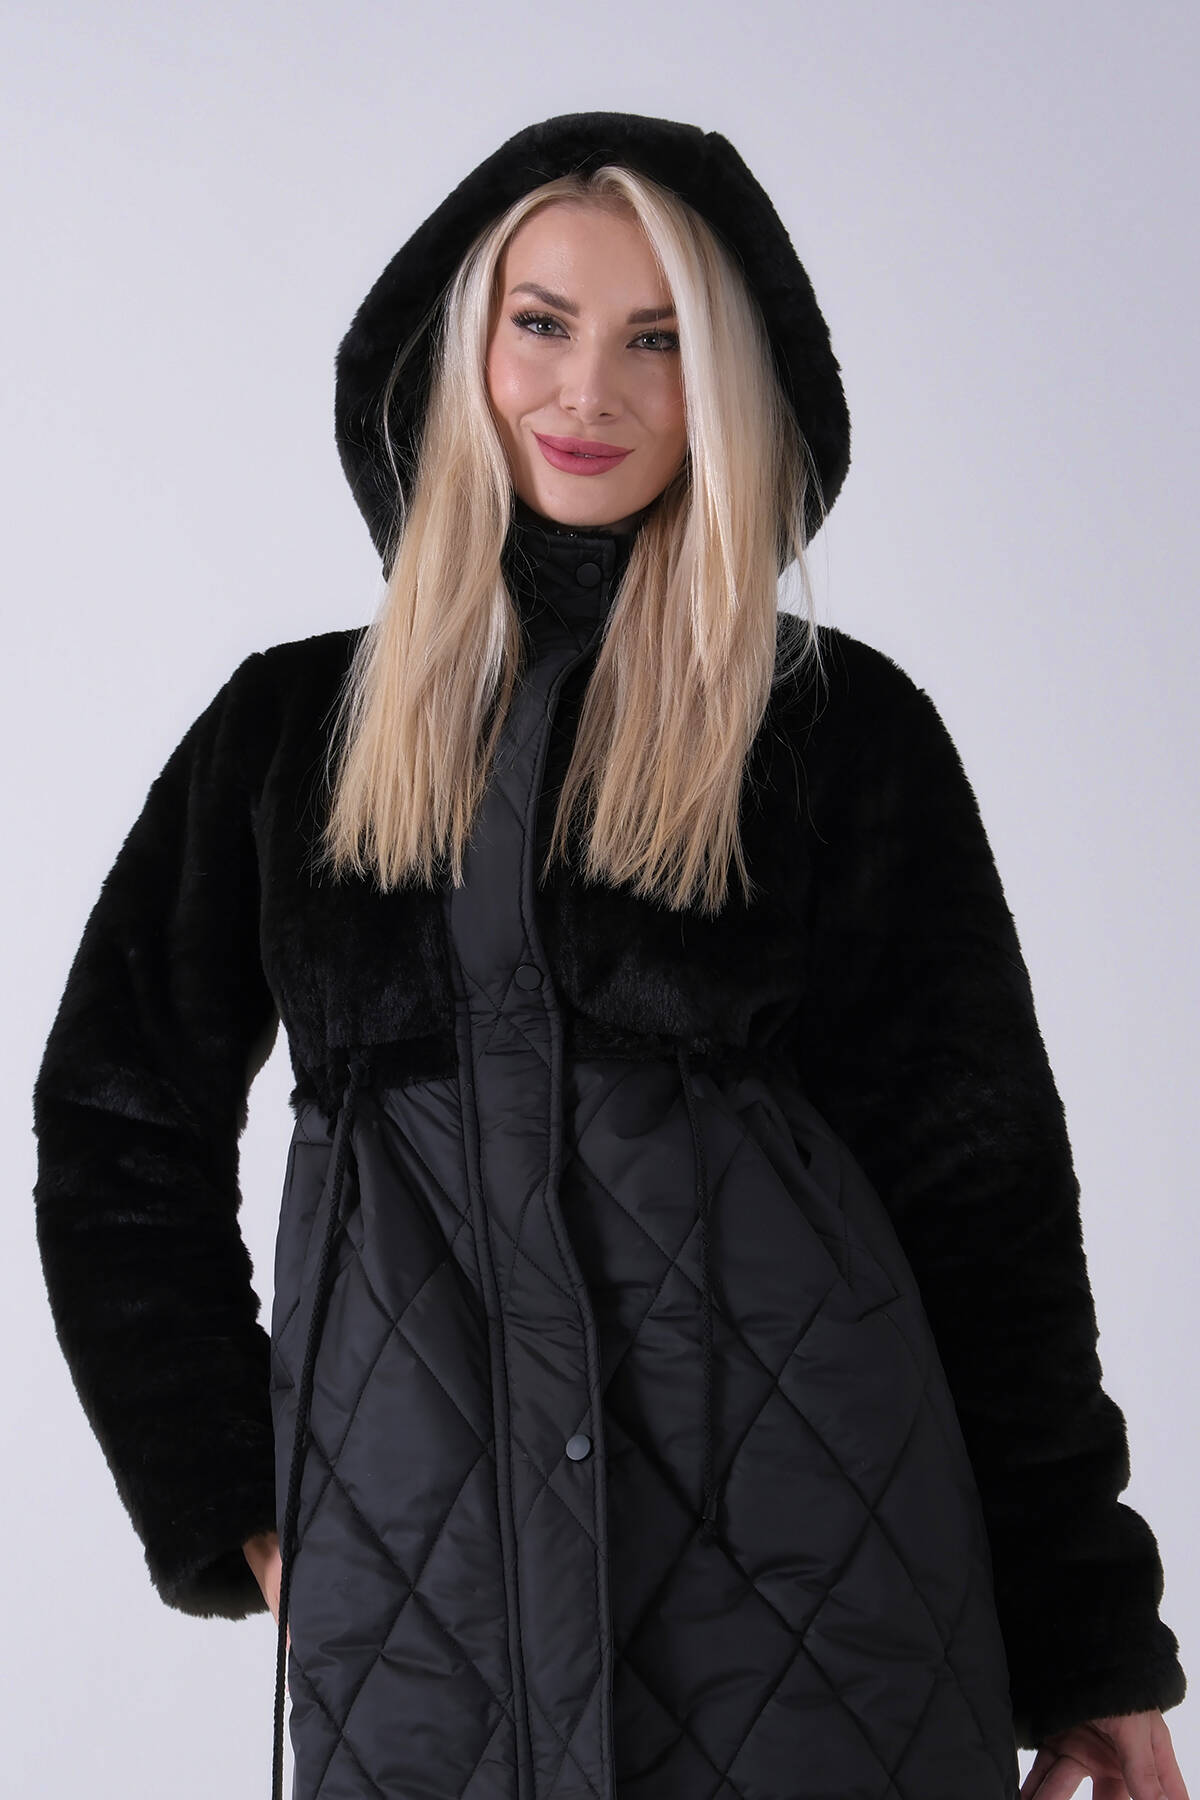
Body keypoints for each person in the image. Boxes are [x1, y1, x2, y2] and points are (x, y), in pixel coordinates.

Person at [32, 110, 1189, 1800]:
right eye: (544, 323)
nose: (591, 392)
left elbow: (984, 1198)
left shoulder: (833, 729)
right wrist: (234, 1497)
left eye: (659, 340)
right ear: (464, 348)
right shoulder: (292, 734)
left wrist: (1089, 1646)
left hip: (823, 1600)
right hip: (426, 1613)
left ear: (729, 387)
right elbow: (116, 1126)